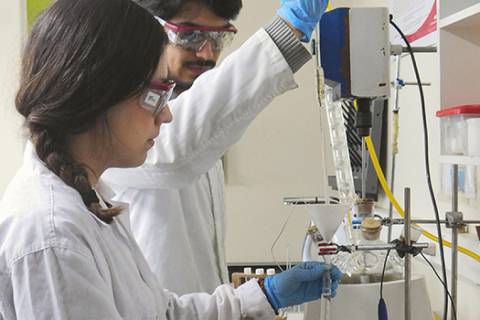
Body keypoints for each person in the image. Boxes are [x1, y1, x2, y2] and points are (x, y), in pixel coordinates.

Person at [0, 0, 342, 318]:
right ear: (100, 89)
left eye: (218, 37)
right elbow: (177, 147)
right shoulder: (53, 234)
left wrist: (265, 295)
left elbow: (162, 313)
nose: (166, 117)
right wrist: (289, 29)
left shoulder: (90, 200)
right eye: (155, 96)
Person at [102, 0, 330, 295]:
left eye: (219, 37)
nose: (207, 52)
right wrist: (290, 27)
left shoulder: (190, 114)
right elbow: (171, 151)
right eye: (191, 36)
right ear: (145, 32)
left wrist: (260, 299)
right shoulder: (116, 117)